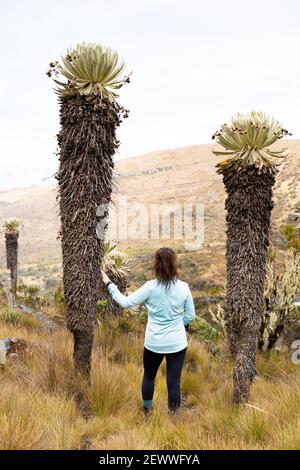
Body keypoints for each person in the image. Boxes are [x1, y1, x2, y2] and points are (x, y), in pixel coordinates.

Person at [101, 247, 196, 413]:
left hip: (154, 343)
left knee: (149, 376)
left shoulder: (150, 287)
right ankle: (174, 417)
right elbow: (190, 316)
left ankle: (147, 412)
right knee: (174, 381)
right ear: (174, 264)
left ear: (156, 265)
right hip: (177, 343)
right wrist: (176, 325)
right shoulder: (184, 287)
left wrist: (109, 284)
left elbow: (125, 302)